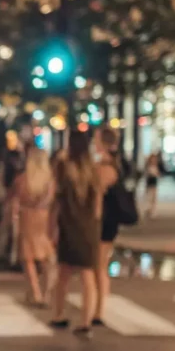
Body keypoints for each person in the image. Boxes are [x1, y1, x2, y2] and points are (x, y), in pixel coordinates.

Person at [50, 129, 101, 337]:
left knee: (64, 273)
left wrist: (51, 227)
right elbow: (98, 205)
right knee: (88, 275)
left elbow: (57, 201)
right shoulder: (93, 171)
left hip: (69, 226)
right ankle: (86, 319)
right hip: (88, 227)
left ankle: (59, 314)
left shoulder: (63, 168)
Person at [10, 144, 56, 306]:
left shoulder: (22, 179)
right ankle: (46, 292)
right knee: (46, 257)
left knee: (28, 257)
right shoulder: (49, 180)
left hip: (26, 216)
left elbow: (15, 202)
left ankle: (35, 292)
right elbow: (49, 200)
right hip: (43, 217)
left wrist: (14, 218)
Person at [93, 127, 122, 326]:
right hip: (108, 221)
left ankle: (99, 309)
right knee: (100, 265)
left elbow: (98, 197)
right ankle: (99, 306)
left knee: (99, 266)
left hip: (102, 222)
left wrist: (93, 219)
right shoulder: (113, 163)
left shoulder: (105, 166)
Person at [143, 151, 160, 218]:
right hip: (150, 184)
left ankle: (152, 210)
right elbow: (148, 175)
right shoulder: (148, 166)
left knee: (154, 198)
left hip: (154, 184)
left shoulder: (155, 166)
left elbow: (157, 174)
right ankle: (149, 210)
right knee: (150, 198)